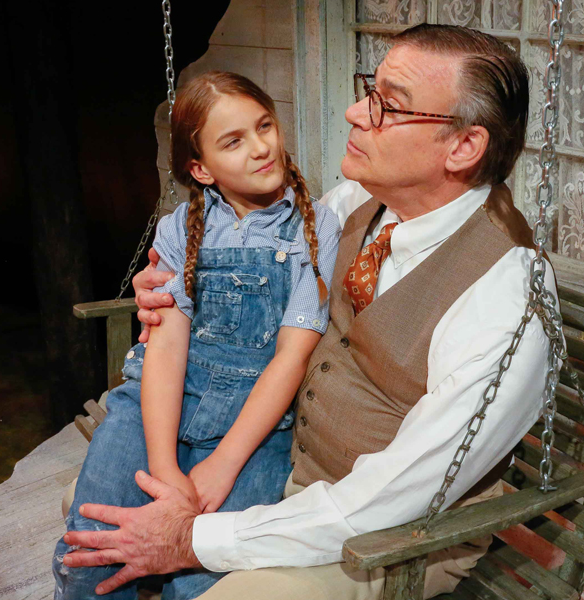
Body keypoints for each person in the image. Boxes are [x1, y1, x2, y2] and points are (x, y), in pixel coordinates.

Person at [61, 24, 558, 600]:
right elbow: (252, 267)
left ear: (463, 147)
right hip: (284, 465)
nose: (353, 113)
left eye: (387, 106)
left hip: (388, 535)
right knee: (94, 520)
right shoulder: (353, 206)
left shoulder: (505, 296)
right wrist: (168, 288)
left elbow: (395, 496)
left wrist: (197, 536)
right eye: (367, 91)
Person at [52, 71, 341, 599]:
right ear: (200, 169)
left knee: (202, 582)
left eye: (265, 126)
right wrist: (165, 474)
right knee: (87, 553)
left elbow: (290, 358)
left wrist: (221, 467)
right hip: (155, 406)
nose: (261, 148)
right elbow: (165, 349)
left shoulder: (315, 228)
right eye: (234, 141)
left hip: (252, 426)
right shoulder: (176, 229)